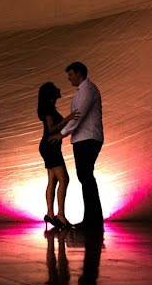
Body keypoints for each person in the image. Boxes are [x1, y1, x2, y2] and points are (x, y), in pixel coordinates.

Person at [47, 62, 104, 229]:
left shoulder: (88, 90)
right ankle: (93, 219)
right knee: (85, 177)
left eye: (70, 74)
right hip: (82, 139)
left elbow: (78, 116)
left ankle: (93, 220)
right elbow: (76, 117)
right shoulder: (82, 91)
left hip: (88, 139)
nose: (68, 78)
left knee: (86, 177)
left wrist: (61, 134)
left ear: (79, 73)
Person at [37, 82, 79, 228]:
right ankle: (60, 215)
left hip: (50, 147)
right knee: (64, 179)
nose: (59, 88)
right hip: (50, 147)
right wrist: (69, 118)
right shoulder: (48, 109)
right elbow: (51, 129)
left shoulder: (49, 108)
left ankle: (50, 214)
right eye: (55, 88)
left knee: (53, 181)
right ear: (50, 93)